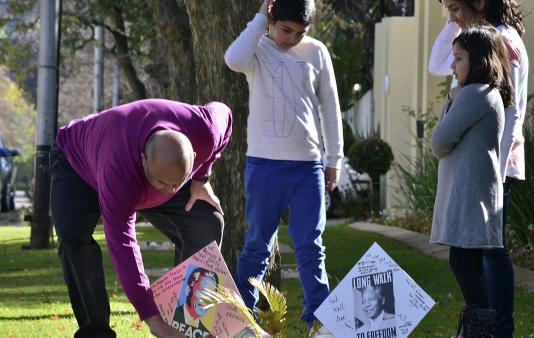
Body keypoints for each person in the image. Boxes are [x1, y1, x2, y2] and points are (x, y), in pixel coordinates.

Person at [50, 99, 232, 337]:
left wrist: (200, 178)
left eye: (176, 183)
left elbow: (225, 114)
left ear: (195, 154)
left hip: (142, 172)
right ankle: (95, 331)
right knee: (73, 238)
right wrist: (152, 320)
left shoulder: (205, 130)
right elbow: (123, 246)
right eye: (162, 183)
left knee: (208, 222)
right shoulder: (120, 170)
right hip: (77, 162)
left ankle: (189, 324)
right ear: (144, 159)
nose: (169, 189)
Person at [224, 0, 343, 333]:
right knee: (256, 245)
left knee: (310, 246)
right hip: (264, 166)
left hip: (308, 167)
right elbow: (233, 59)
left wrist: (333, 160)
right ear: (273, 19)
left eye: (300, 32)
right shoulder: (257, 48)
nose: (291, 37)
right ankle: (240, 320)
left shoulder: (317, 52)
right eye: (286, 29)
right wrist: (261, 19)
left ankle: (319, 321)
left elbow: (331, 109)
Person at [429, 1, 528, 336]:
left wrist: (496, 174)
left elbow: (440, 141)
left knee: (481, 256)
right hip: (483, 177)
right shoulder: (483, 75)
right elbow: (436, 63)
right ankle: (485, 324)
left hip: (490, 176)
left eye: (456, 7)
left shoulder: (497, 48)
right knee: (473, 258)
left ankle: (490, 326)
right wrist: (454, 23)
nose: (452, 16)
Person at [171, 267, 218, 335]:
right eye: (203, 292)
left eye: (212, 296)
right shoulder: (170, 319)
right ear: (188, 289)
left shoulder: (206, 333)